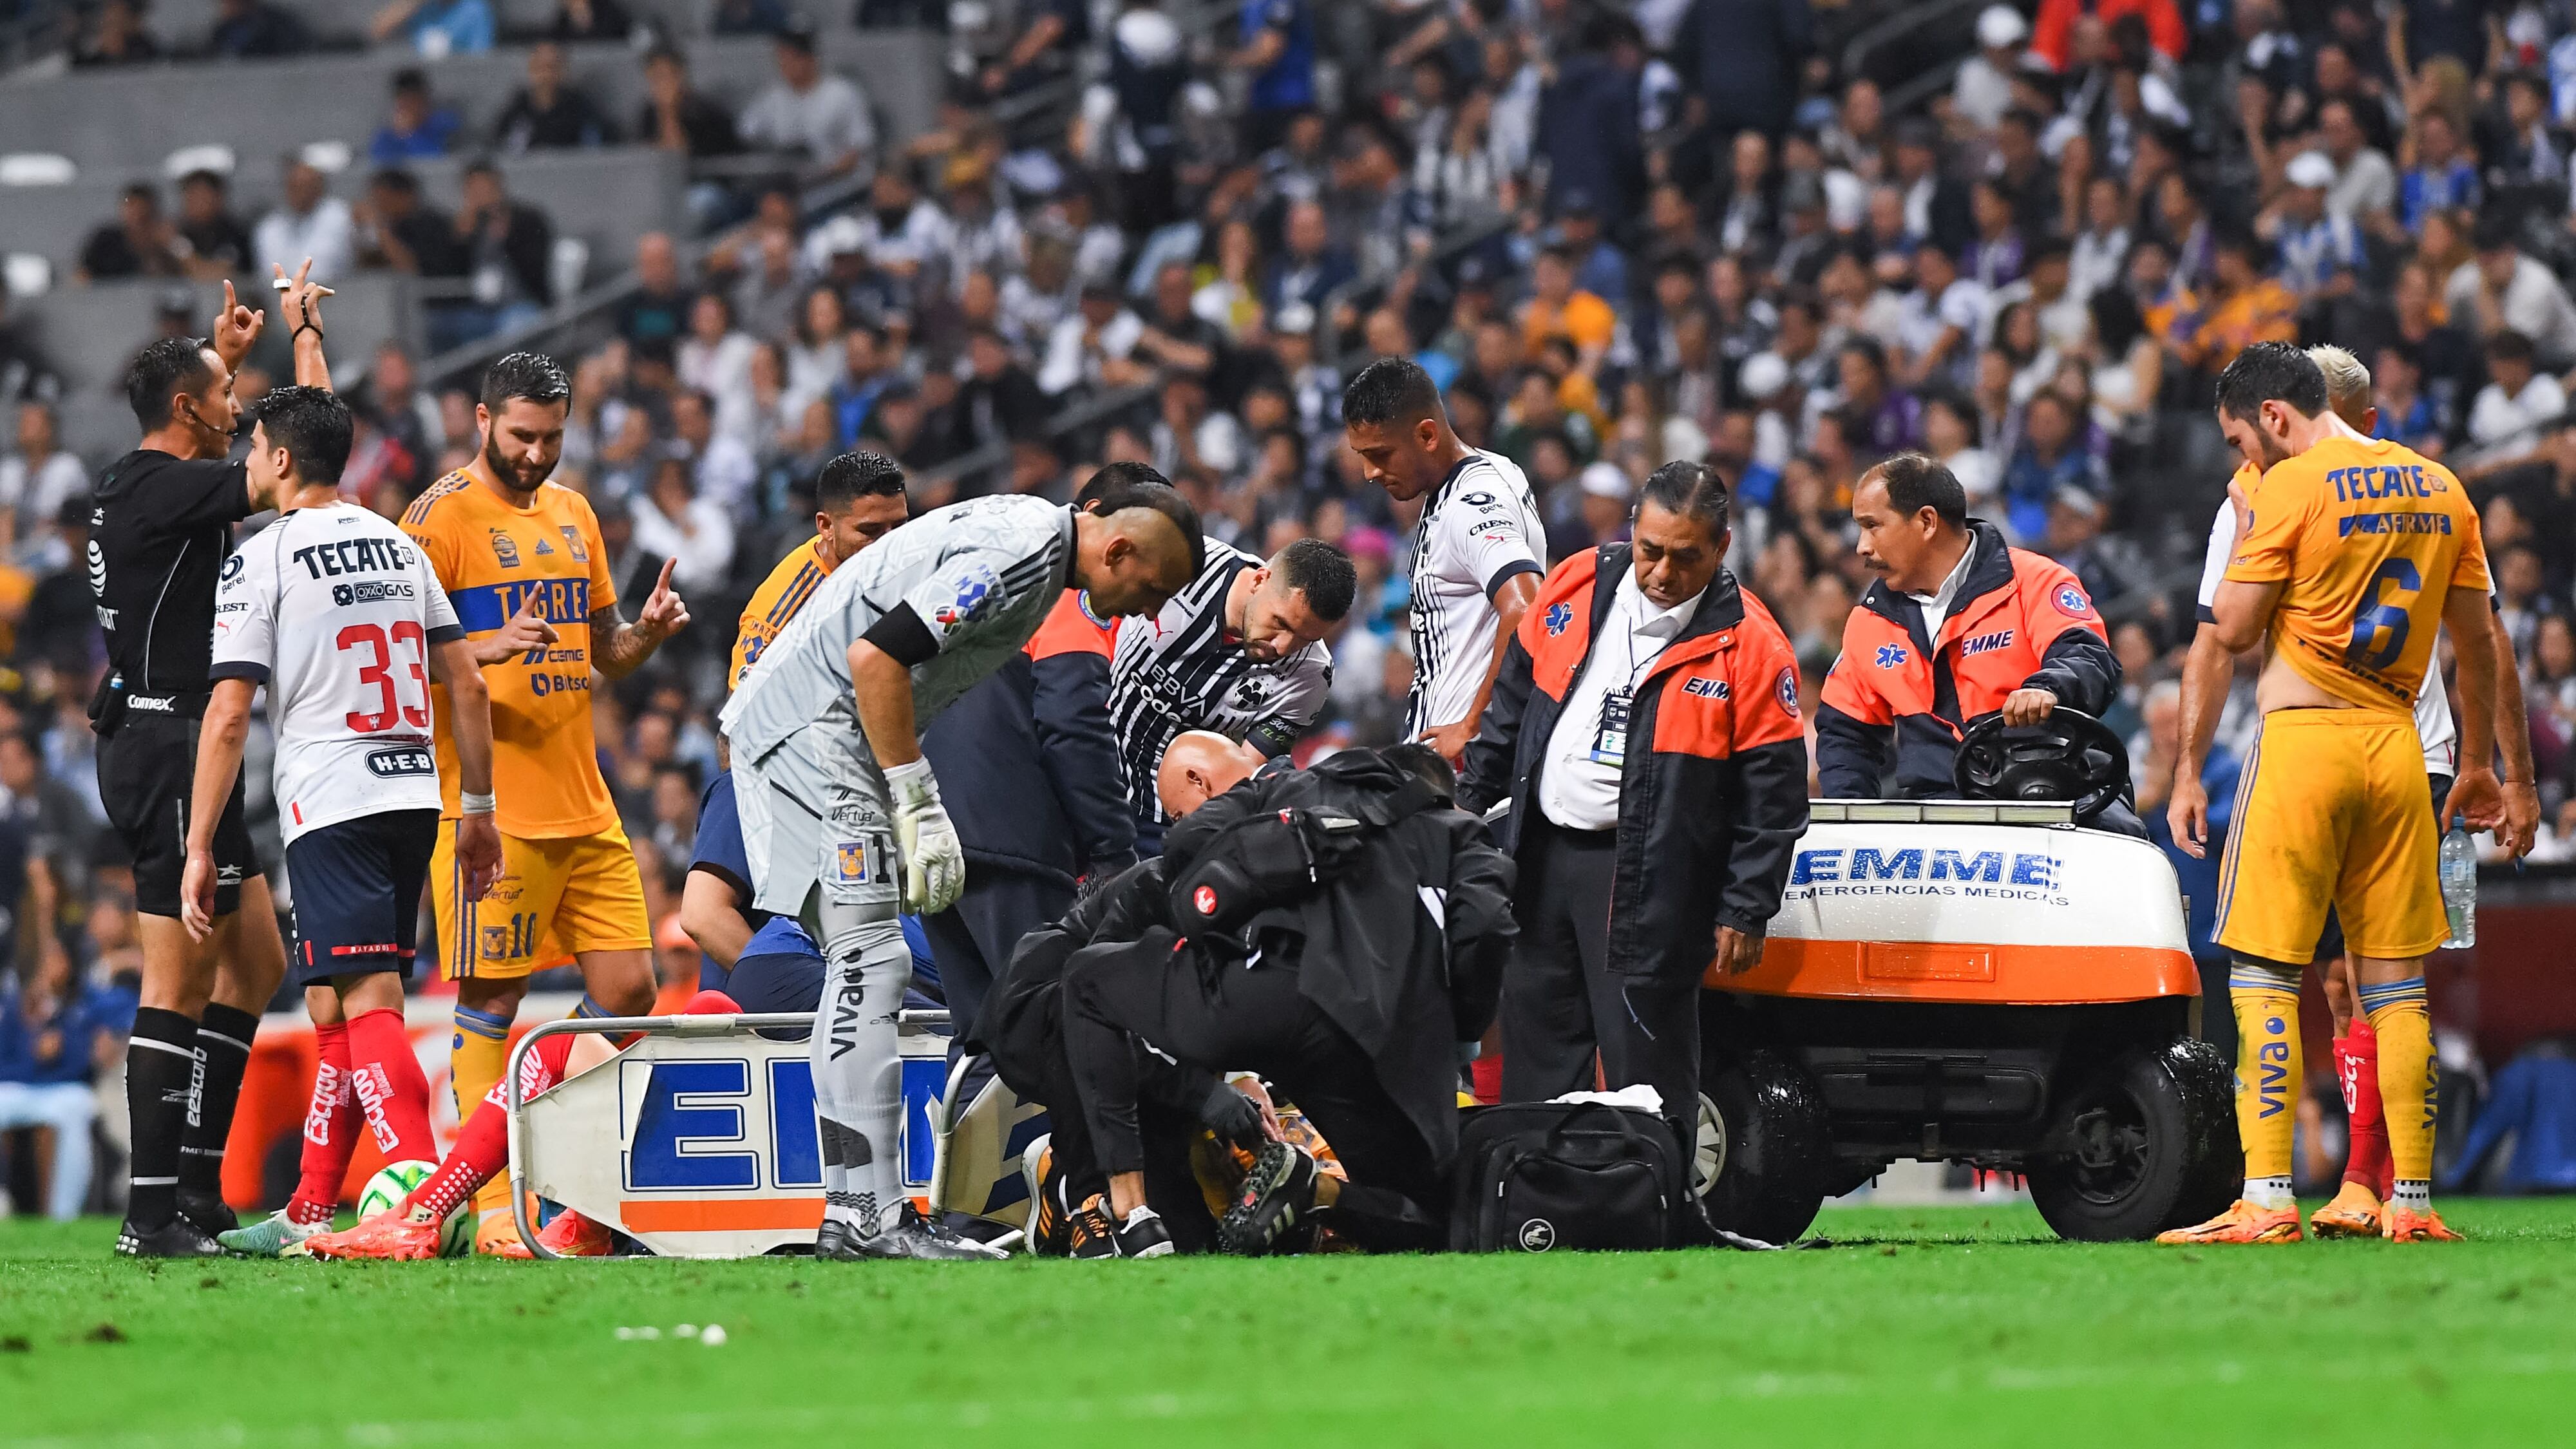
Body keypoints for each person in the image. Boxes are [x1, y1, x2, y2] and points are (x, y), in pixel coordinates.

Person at [715, 483, 1200, 1260]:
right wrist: (916, 794)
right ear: (1118, 550)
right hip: (818, 736)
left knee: (866, 960)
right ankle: (867, 1218)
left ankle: (858, 1214)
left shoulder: (1027, 539)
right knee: (871, 959)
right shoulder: (1023, 554)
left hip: (816, 731)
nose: (1143, 612)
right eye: (1149, 591)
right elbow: (875, 656)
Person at [2159, 342, 2527, 1245]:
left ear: (2277, 417)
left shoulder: (2283, 487)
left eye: (2244, 437)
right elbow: (2480, 644)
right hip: (2403, 748)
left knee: (2264, 972)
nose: (2245, 456)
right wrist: (2479, 761)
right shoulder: (2440, 485)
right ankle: (2411, 1200)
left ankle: (2270, 1195)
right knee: (2398, 984)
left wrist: (2251, 520)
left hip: (2305, 742)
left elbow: (2235, 631)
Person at [173, 386, 502, 1257]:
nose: (248, 464)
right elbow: (465, 681)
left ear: (281, 459)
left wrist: (200, 841)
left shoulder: (265, 556)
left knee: (369, 999)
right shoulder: (398, 543)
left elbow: (230, 713)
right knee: (331, 998)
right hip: (413, 793)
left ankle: (421, 1203)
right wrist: (478, 810)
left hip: (335, 800)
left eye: (253, 450)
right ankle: (314, 1208)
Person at [395, 352, 689, 1255]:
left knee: (632, 995)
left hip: (586, 801)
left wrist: (647, 631)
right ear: (483, 421)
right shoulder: (438, 517)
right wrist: (482, 646)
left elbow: (604, 651)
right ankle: (488, 1211)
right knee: (490, 994)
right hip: (490, 808)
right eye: (522, 435)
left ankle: (544, 1152)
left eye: (553, 437)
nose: (536, 454)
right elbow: (394, 652)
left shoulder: (575, 514)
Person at [1459, 460, 1809, 1184]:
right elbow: (1507, 713)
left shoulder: (1751, 644)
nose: (1661, 571)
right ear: (1632, 532)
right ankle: (1539, 1203)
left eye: (1685, 556)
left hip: (1649, 871)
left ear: (1720, 548)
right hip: (1542, 855)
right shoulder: (1576, 583)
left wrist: (1746, 905)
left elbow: (1774, 799)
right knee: (1539, 1042)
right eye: (1650, 549)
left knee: (1645, 1055)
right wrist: (1459, 819)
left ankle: (1658, 1207)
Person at [91, 263, 333, 1256]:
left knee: (257, 958)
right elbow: (295, 472)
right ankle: (151, 1215)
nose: (240, 403)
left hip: (169, 740)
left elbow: (214, 444)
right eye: (228, 394)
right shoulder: (174, 488)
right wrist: (305, 343)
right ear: (190, 411)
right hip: (170, 745)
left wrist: (227, 357)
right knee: (177, 977)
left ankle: (194, 1186)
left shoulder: (138, 477)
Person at [1059, 741, 1517, 1257]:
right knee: (1427, 1217)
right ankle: (1318, 1190)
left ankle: (1133, 1215)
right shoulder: (1464, 837)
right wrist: (1458, 1034)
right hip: (1373, 1045)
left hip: (1263, 997)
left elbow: (1191, 839)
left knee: (1085, 980)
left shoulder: (1294, 784)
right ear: (1443, 795)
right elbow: (1486, 929)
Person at [916, 466, 1167, 1053]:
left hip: (937, 835)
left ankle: (955, 1150)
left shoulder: (993, 564)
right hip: (1010, 843)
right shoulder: (1068, 591)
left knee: (984, 1039)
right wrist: (1114, 853)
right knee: (1055, 1030)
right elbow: (1073, 725)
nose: (1147, 595)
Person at [684, 451, 913, 978]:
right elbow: (738, 738)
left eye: (900, 526)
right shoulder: (786, 610)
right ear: (825, 527)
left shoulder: (906, 569)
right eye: (870, 531)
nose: (891, 544)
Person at [1813, 453, 2132, 829]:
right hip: (1937, 819)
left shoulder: (2034, 579)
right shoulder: (1869, 622)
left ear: (1927, 522)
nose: (1862, 547)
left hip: (2051, 799)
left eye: (1873, 525)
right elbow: (1844, 733)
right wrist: (1853, 824)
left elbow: (2088, 655)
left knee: (2123, 838)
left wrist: (2049, 689)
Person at [1341, 357, 1546, 765]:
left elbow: (1525, 608)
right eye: (1362, 455)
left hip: (1463, 764)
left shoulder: (1471, 504)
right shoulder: (1494, 471)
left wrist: (1475, 725)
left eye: (1381, 454)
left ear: (1428, 435)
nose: (1369, 472)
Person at [1108, 536, 1353, 843]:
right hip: (1082, 771)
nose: (1283, 646)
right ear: (1260, 579)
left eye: (1304, 638)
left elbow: (1238, 781)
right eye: (1281, 623)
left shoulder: (1311, 675)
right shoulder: (1182, 563)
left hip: (1169, 827)